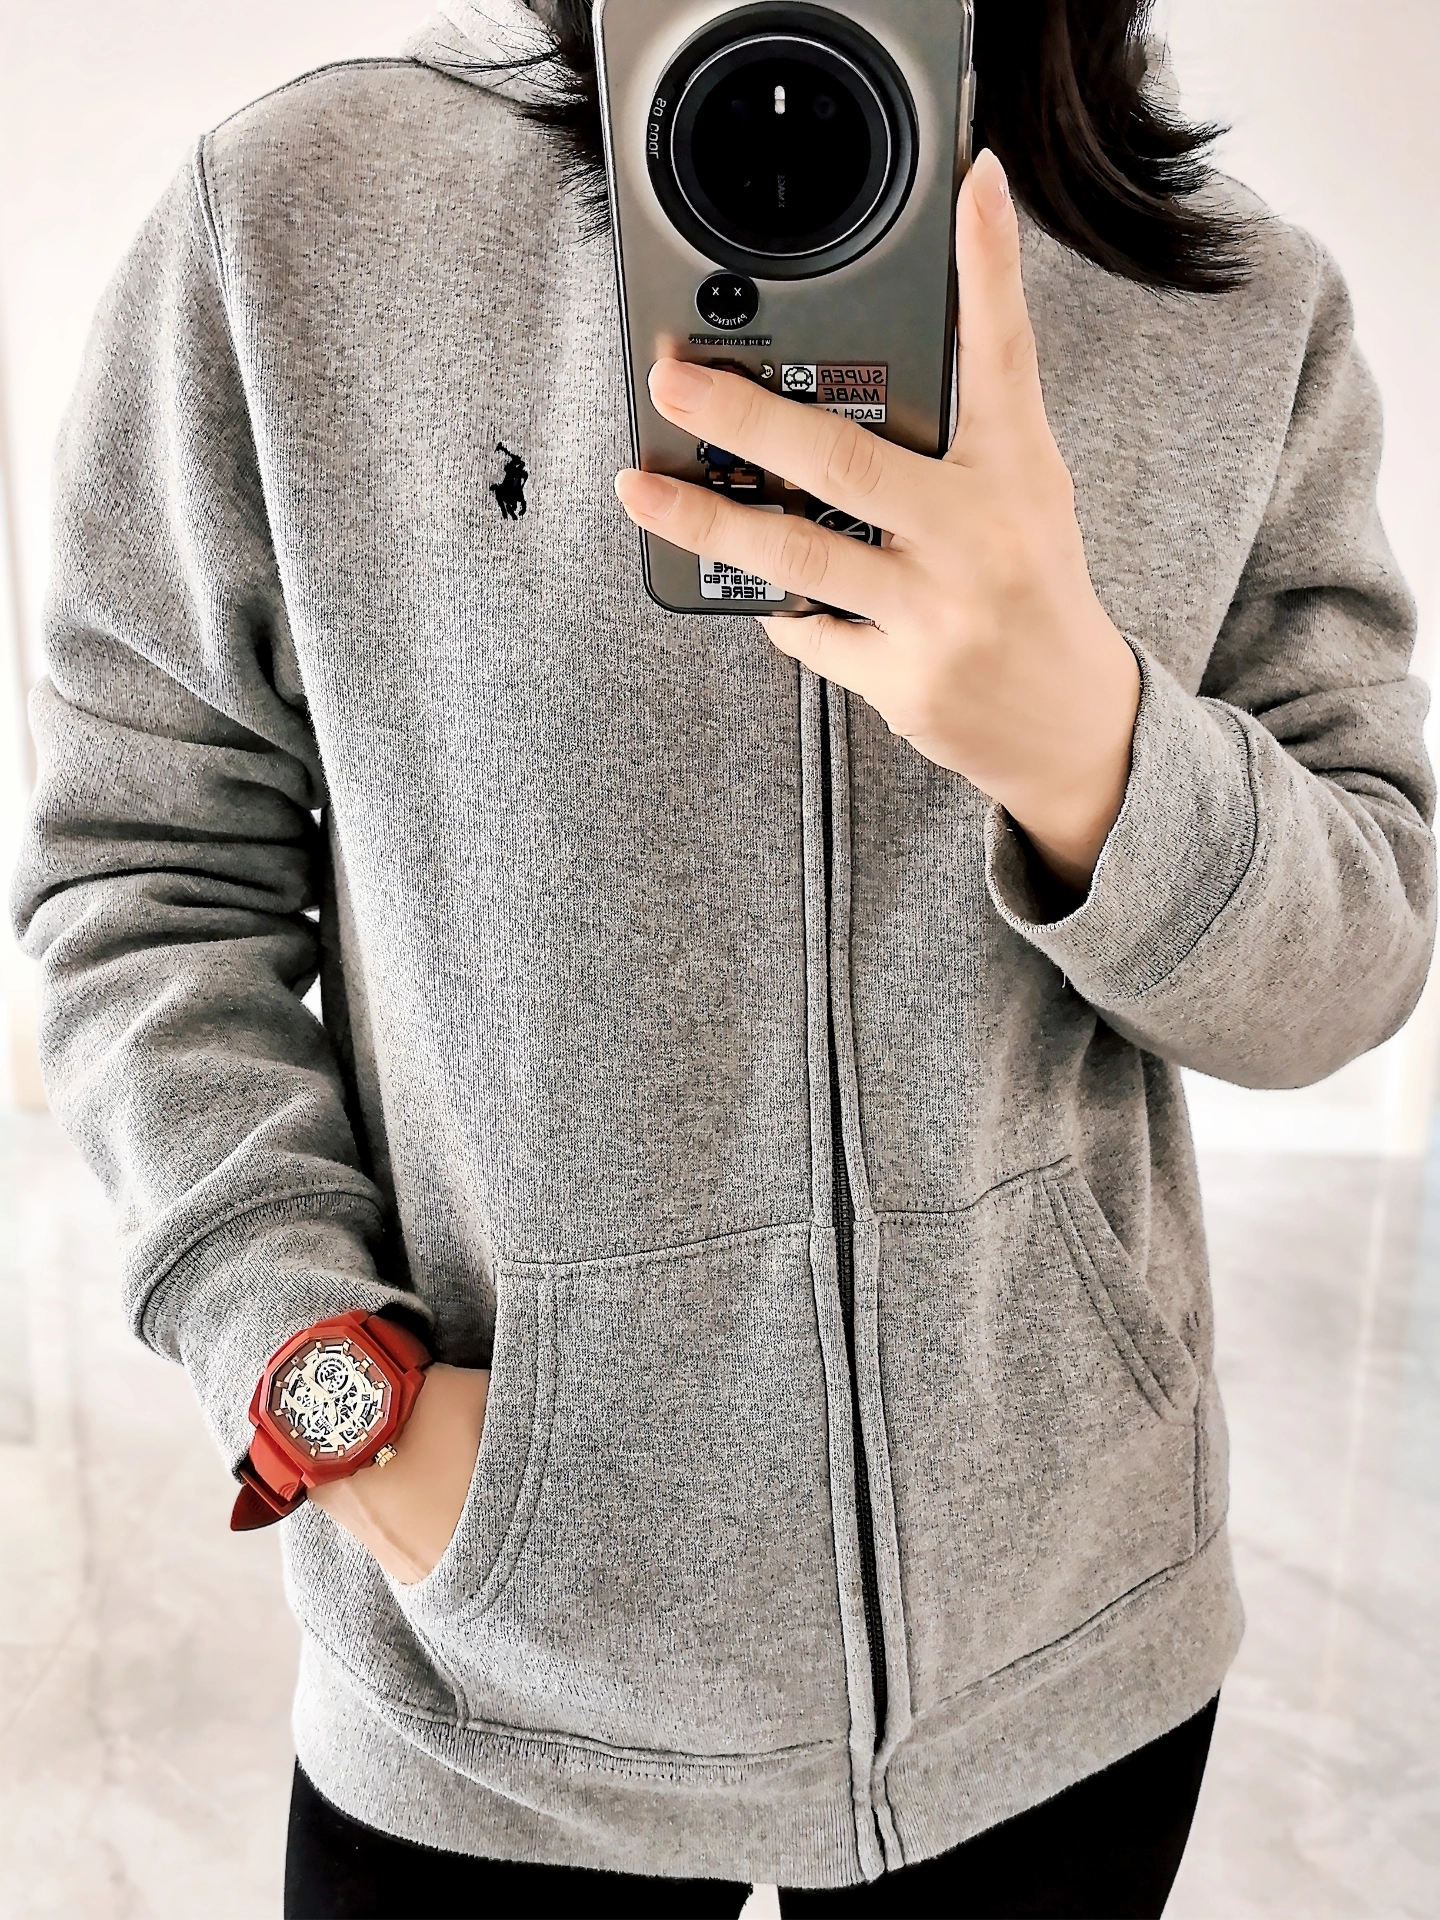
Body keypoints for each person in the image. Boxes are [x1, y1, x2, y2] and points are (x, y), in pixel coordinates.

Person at [11, 1, 1434, 1914]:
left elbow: (1355, 956)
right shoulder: (299, 224)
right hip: (497, 1704)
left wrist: (1091, 746)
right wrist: (328, 1386)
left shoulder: (1235, 301)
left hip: (1065, 1673)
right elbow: (147, 876)